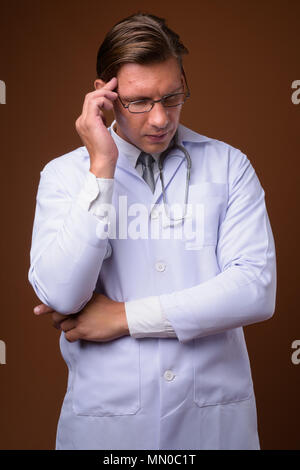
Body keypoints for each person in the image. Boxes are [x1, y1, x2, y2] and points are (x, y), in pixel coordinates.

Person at [28, 13, 277, 450]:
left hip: (213, 425)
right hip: (111, 428)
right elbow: (63, 296)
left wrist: (124, 318)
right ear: (105, 95)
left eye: (172, 96)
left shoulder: (229, 166)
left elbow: (254, 288)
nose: (161, 118)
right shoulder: (65, 176)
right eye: (139, 101)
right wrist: (101, 170)